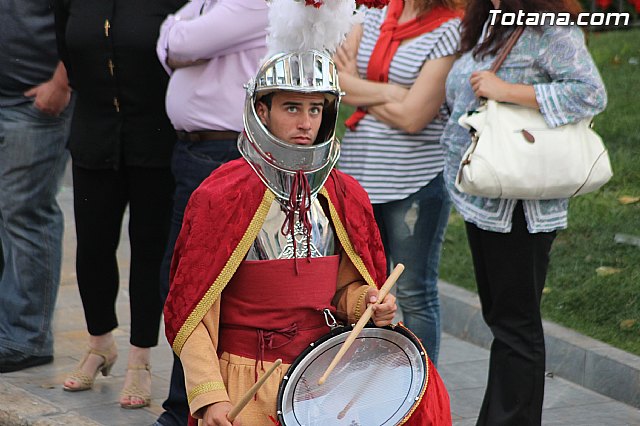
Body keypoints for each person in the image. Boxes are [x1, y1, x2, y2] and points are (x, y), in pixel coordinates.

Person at [163, 12, 452, 420]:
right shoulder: (220, 196)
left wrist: (369, 304)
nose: (305, 123)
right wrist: (210, 395)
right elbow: (192, 311)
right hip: (243, 383)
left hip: (322, 386)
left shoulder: (344, 194)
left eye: (316, 109)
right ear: (261, 110)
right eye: (292, 107)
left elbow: (343, 292)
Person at [440, 0, 607, 424]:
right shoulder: (490, 21)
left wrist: (507, 91)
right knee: (504, 322)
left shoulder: (550, 28)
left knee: (517, 326)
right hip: (486, 198)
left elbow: (590, 92)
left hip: (522, 204)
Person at [54, 0, 186, 409]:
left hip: (155, 138)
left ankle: (141, 359)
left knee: (148, 252)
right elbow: (67, 50)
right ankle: (99, 344)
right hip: (94, 133)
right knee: (92, 246)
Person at [153, 2, 269, 425]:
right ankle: (190, 401)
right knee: (184, 278)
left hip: (223, 150)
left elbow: (180, 39)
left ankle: (186, 407)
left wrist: (178, 37)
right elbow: (166, 37)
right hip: (195, 150)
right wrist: (175, 37)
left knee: (199, 282)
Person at [334, 0, 463, 365]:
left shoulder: (450, 29)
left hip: (415, 184)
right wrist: (392, 92)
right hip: (358, 182)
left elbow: (414, 117)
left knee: (414, 292)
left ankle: (422, 399)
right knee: (361, 291)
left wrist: (361, 87)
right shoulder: (373, 14)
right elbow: (336, 81)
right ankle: (368, 391)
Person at [0, 0, 73, 373]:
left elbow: (82, 15)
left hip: (33, 96)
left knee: (24, 210)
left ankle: (26, 337)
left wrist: (62, 82)